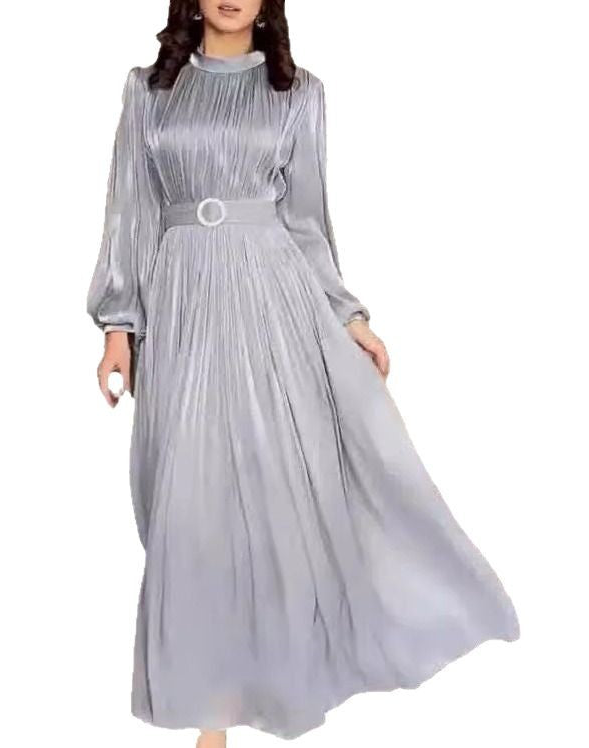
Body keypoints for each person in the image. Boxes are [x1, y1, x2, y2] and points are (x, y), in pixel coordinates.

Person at [87, 1, 520, 745]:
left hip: (275, 302)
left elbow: (309, 222)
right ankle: (211, 699)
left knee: (272, 491)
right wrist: (118, 329)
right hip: (184, 307)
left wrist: (350, 317)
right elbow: (130, 211)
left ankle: (254, 698)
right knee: (189, 504)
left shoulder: (300, 93)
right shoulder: (148, 89)